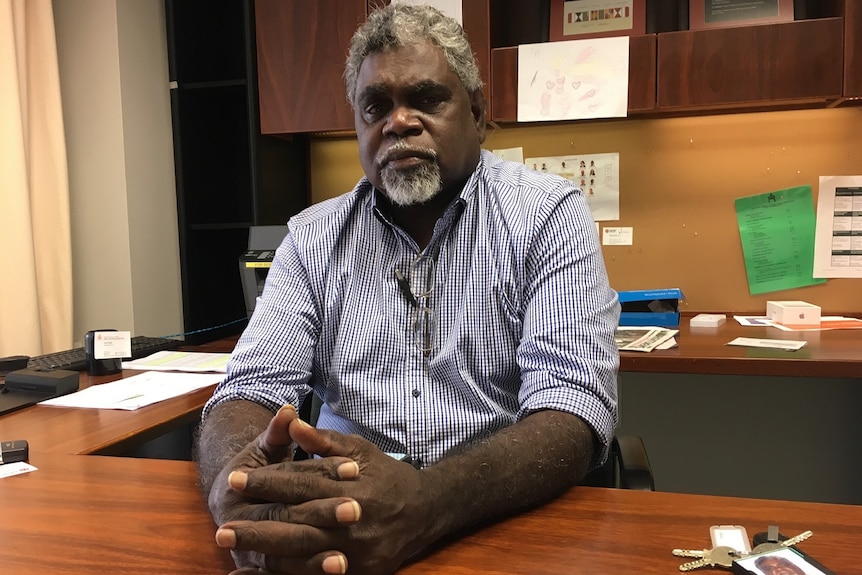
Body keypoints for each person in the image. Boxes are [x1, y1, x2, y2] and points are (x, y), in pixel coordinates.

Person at [197, 4, 619, 575]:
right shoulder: (313, 237)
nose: (398, 122)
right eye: (376, 107)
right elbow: (249, 389)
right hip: (347, 521)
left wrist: (427, 504)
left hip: (493, 521)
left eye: (426, 99)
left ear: (477, 112)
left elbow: (572, 409)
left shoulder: (547, 215)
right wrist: (235, 482)